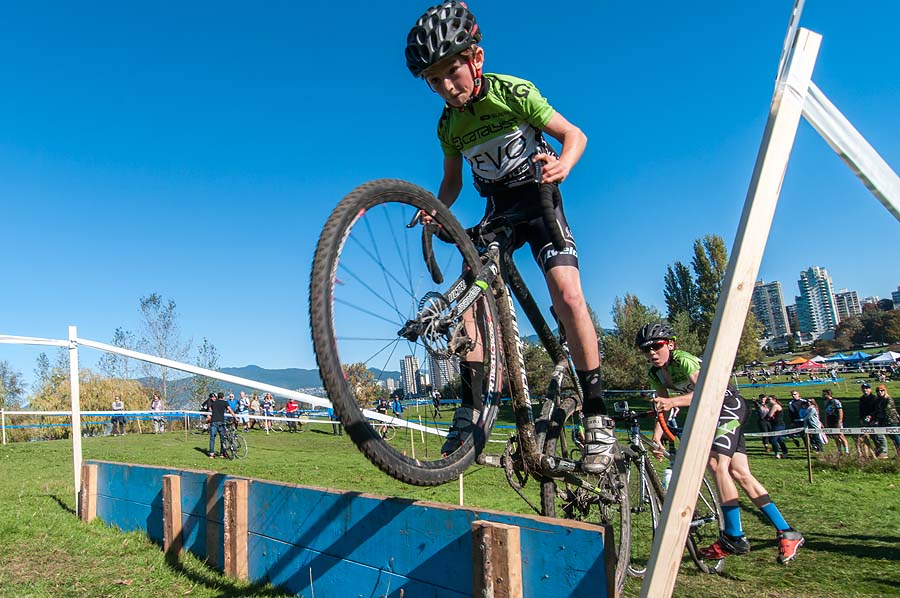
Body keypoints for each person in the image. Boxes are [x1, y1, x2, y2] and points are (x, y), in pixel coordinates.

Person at [405, 1, 613, 472]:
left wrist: (563, 163)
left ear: (476, 58)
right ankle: (472, 404)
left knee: (566, 293)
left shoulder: (512, 92)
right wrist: (436, 209)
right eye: (433, 81)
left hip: (539, 204)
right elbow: (454, 183)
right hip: (498, 210)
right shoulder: (448, 124)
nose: (445, 87)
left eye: (451, 72)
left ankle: (598, 412)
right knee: (471, 293)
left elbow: (573, 134)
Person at [636, 322, 804, 564]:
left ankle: (734, 535)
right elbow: (662, 405)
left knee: (716, 464)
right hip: (712, 413)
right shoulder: (655, 373)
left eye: (657, 346)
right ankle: (787, 532)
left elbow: (709, 392)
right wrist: (657, 437)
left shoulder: (684, 360)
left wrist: (673, 403)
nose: (652, 353)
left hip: (727, 406)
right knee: (740, 473)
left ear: (670, 344)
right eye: (645, 349)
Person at [859, 383, 886, 458]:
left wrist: (875, 419)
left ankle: (882, 451)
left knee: (877, 436)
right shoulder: (861, 399)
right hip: (865, 420)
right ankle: (876, 451)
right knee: (870, 437)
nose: (865, 390)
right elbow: (861, 410)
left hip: (874, 420)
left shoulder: (874, 398)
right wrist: (861, 419)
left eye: (867, 388)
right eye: (863, 388)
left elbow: (877, 410)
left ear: (870, 389)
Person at [208, 391, 237, 458]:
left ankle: (211, 454)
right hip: (221, 422)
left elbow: (211, 410)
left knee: (212, 438)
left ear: (217, 397)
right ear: (223, 397)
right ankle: (222, 453)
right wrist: (235, 417)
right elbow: (230, 410)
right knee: (222, 439)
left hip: (213, 422)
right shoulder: (225, 402)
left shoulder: (214, 403)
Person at [874, 385, 900, 458]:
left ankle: (899, 451)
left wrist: (879, 415)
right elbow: (876, 410)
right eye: (878, 391)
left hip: (891, 420)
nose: (880, 392)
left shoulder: (889, 399)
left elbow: (886, 410)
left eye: (882, 390)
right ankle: (883, 452)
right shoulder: (878, 400)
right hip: (882, 421)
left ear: (885, 391)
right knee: (880, 435)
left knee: (895, 436)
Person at [821, 389, 849, 455]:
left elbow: (840, 411)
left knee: (841, 436)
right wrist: (826, 422)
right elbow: (826, 413)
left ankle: (846, 451)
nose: (823, 395)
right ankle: (839, 451)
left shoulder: (836, 402)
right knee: (835, 436)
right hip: (830, 420)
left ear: (828, 394)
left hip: (836, 420)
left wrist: (840, 421)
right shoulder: (826, 402)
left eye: (824, 394)